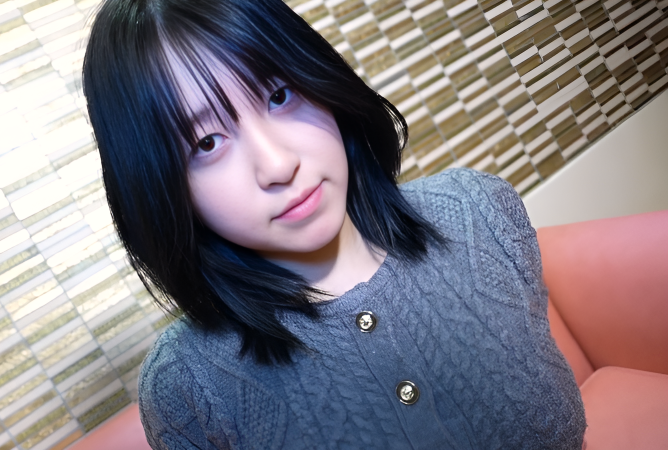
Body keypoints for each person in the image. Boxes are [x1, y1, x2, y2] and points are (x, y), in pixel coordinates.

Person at [81, 0, 587, 448]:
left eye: (280, 95)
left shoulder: (480, 212)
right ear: (160, 187)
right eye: (206, 143)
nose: (278, 164)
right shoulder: (187, 387)